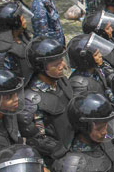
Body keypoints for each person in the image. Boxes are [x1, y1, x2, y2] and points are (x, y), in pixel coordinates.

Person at [19, 36, 74, 164]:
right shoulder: (31, 100)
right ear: (41, 67)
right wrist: (65, 152)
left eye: (62, 60)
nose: (62, 66)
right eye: (56, 64)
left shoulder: (61, 81)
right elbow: (38, 138)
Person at [52, 93, 114, 172]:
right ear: (83, 127)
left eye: (106, 125)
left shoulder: (102, 143)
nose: (104, 132)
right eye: (99, 128)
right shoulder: (73, 165)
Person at [0, 2, 33, 80]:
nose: (24, 20)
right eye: (22, 17)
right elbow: (0, 80)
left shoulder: (21, 36)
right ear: (16, 22)